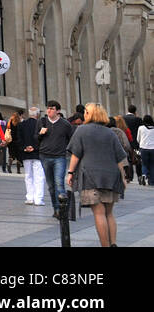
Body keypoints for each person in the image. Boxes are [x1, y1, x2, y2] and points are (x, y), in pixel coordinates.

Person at [66, 103, 130, 247]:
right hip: (111, 177)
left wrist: (70, 172)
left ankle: (105, 246)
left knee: (99, 213)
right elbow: (120, 157)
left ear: (92, 114)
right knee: (109, 213)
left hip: (90, 177)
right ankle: (113, 243)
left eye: (87, 112)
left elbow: (76, 154)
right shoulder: (110, 132)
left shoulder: (82, 130)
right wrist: (123, 177)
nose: (85, 114)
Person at [37, 100, 75, 218]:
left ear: (58, 111)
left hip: (59, 157)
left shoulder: (65, 124)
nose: (49, 111)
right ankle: (56, 208)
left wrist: (66, 150)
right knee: (51, 186)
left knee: (59, 183)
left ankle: (62, 211)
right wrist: (40, 134)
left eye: (52, 109)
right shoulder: (42, 122)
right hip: (44, 156)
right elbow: (36, 138)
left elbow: (72, 139)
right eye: (48, 108)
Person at [19, 106, 44, 206]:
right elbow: (42, 139)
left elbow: (19, 139)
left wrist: (25, 147)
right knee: (39, 176)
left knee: (28, 176)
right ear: (37, 115)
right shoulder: (41, 124)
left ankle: (29, 197)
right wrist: (34, 147)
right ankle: (38, 199)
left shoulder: (22, 125)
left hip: (26, 153)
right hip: (37, 153)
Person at [137, 115, 154, 189]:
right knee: (152, 165)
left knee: (144, 163)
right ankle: (152, 181)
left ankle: (144, 175)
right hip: (153, 148)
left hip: (143, 148)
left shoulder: (141, 128)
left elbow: (138, 138)